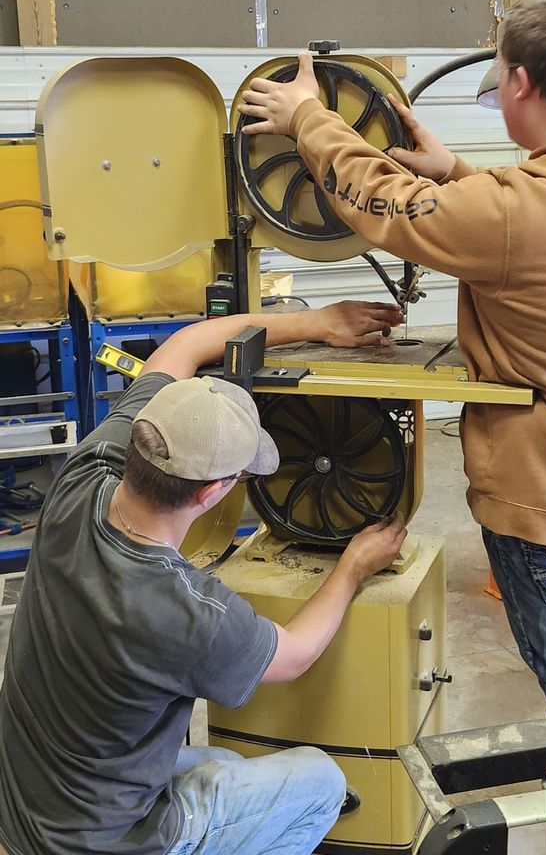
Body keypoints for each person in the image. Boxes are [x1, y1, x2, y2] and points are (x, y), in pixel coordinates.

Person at [237, 0, 546, 716]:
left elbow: (374, 197)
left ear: (517, 82)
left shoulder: (513, 213)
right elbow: (544, 216)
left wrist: (308, 120)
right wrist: (454, 174)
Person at [0, 300, 407, 855]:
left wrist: (320, 323)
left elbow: (185, 346)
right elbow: (294, 655)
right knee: (320, 782)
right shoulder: (188, 611)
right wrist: (353, 567)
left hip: (27, 799)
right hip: (103, 842)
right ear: (213, 492)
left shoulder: (85, 473)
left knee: (225, 763)